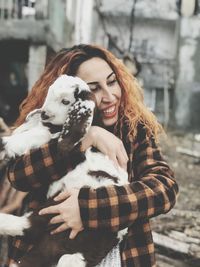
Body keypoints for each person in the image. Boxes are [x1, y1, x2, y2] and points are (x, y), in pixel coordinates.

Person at [6, 44, 178, 267]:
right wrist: (84, 138)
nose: (109, 96)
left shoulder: (134, 129)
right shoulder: (51, 126)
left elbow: (163, 188)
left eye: (112, 81)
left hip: (125, 256)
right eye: (94, 88)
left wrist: (88, 209)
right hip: (48, 253)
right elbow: (19, 175)